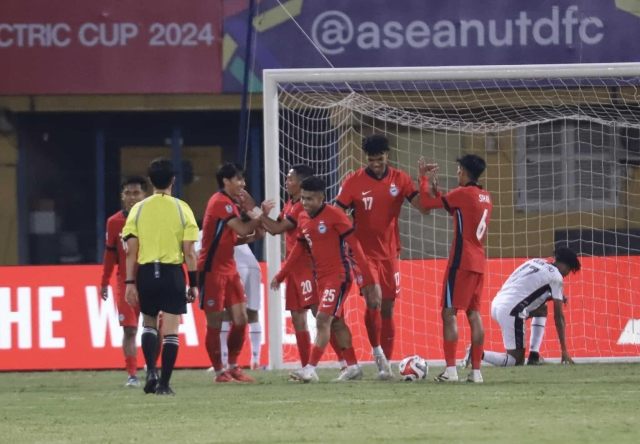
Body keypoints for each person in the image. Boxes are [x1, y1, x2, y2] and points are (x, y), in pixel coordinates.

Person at [271, 176, 383, 382]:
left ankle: (310, 369)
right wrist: (281, 274)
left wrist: (368, 280)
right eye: (303, 198)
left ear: (322, 198)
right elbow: (298, 248)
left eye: (310, 199)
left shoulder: (336, 216)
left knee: (322, 319)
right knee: (337, 323)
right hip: (320, 278)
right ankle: (353, 367)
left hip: (339, 276)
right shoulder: (303, 218)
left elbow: (355, 247)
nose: (305, 203)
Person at [335, 135, 431, 375]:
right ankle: (378, 354)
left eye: (379, 159)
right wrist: (345, 226)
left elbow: (424, 207)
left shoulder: (400, 179)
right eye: (371, 159)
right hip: (362, 254)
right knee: (374, 299)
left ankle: (386, 364)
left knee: (387, 308)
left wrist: (424, 180)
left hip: (389, 253)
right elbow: (337, 211)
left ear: (387, 155)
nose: (375, 163)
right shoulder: (353, 182)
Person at [122, 158, 200, 396]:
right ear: (173, 181)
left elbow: (131, 252)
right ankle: (164, 384)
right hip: (172, 272)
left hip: (146, 272)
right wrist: (194, 284)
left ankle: (151, 371)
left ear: (150, 181)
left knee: (149, 324)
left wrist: (129, 283)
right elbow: (189, 251)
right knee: (172, 331)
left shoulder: (138, 209)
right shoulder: (182, 208)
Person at [260, 165, 346, 370]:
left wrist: (252, 211)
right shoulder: (290, 203)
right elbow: (274, 225)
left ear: (300, 182)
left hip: (308, 267)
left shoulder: (302, 207)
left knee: (322, 317)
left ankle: (345, 363)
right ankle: (306, 366)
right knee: (298, 318)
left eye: (290, 179)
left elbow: (276, 228)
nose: (286, 182)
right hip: (292, 269)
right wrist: (262, 214)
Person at [418, 154, 493, 383]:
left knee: (448, 312)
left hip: (461, 261)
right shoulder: (485, 196)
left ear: (463, 171)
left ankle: (451, 372)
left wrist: (422, 179)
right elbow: (456, 212)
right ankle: (477, 373)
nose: (456, 173)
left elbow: (426, 205)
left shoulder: (462, 194)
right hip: (479, 261)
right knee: (474, 314)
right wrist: (440, 192)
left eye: (458, 169)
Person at [199, 162, 274, 383]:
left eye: (243, 179)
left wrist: (256, 228)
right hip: (211, 269)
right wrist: (260, 214)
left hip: (229, 268)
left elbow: (238, 237)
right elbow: (242, 228)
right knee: (214, 322)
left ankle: (233, 367)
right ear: (225, 181)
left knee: (241, 319)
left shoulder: (231, 203)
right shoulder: (220, 202)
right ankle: (219, 371)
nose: (242, 183)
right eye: (238, 179)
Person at [463, 248, 580, 368]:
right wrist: (564, 350)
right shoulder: (556, 277)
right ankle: (476, 353)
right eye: (569, 271)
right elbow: (559, 316)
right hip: (511, 311)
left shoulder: (535, 262)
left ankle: (534, 356)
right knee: (516, 360)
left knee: (542, 309)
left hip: (496, 304)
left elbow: (527, 288)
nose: (566, 274)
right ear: (567, 268)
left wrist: (551, 296)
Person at [195, 226, 265, 370]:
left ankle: (224, 361)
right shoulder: (231, 228)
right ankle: (256, 359)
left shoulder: (203, 233)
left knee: (226, 314)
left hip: (234, 267)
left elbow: (199, 255)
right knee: (252, 312)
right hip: (253, 266)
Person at [100, 176, 147, 387]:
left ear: (144, 195)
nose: (132, 197)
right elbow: (110, 254)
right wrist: (104, 281)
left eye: (136, 192)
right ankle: (132, 375)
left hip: (151, 279)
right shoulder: (114, 222)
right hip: (126, 281)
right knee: (129, 329)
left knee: (157, 329)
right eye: (128, 193)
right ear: (122, 196)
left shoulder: (154, 219)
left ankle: (153, 368)